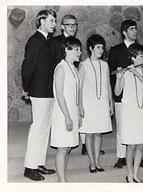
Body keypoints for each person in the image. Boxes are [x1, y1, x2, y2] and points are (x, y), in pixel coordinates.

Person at [108, 19, 143, 169]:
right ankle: (121, 156)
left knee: (140, 126)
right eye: (132, 29)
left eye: (136, 29)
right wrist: (116, 93)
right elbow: (112, 75)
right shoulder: (115, 50)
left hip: (139, 94)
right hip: (123, 94)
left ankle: (139, 158)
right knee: (122, 127)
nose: (135, 31)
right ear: (124, 32)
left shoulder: (142, 49)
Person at [21, 9, 57, 181]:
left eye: (54, 21)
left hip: (48, 91)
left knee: (44, 129)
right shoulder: (35, 40)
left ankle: (38, 163)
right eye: (51, 21)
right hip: (39, 91)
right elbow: (27, 67)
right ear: (42, 21)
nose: (54, 25)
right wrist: (26, 89)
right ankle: (29, 167)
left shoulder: (44, 41)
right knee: (37, 129)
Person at [48, 14, 90, 155]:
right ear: (62, 26)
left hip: (72, 82)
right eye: (69, 25)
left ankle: (85, 144)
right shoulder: (54, 42)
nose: (73, 27)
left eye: (75, 25)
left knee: (78, 112)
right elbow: (48, 66)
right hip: (60, 85)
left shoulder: (76, 44)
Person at [115, 43, 143, 183]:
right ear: (133, 57)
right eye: (141, 55)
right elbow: (117, 92)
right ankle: (129, 174)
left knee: (141, 144)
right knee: (130, 145)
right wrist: (119, 78)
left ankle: (136, 174)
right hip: (129, 112)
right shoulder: (125, 73)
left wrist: (137, 73)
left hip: (142, 111)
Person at [78, 34, 113, 173]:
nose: (101, 50)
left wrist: (110, 103)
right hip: (88, 104)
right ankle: (91, 162)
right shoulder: (83, 65)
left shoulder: (105, 65)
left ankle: (98, 161)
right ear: (91, 48)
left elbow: (108, 85)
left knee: (99, 133)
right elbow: (79, 89)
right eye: (98, 47)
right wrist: (80, 106)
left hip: (102, 104)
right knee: (90, 134)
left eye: (102, 47)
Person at [50, 36, 83, 182]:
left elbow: (77, 92)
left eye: (79, 49)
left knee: (68, 147)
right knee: (63, 148)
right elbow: (59, 95)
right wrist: (68, 117)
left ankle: (61, 178)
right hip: (63, 114)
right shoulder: (61, 68)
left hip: (72, 112)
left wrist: (79, 112)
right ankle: (62, 181)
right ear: (67, 50)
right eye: (76, 49)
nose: (79, 52)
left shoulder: (74, 68)